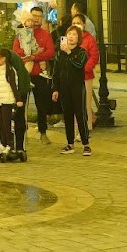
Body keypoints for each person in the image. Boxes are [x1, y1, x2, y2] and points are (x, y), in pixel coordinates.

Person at [13, 7, 56, 144]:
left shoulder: (45, 34)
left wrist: (35, 56)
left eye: (39, 16)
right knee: (21, 104)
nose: (36, 18)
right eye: (34, 15)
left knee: (41, 104)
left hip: (39, 75)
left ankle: (43, 132)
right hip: (24, 74)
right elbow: (15, 50)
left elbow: (50, 52)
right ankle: (21, 132)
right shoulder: (21, 33)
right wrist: (26, 56)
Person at [52, 24, 91, 156]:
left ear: (79, 38)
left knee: (80, 115)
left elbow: (79, 65)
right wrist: (55, 89)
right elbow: (55, 72)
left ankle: (86, 144)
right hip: (64, 88)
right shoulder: (59, 54)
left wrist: (69, 52)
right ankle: (70, 143)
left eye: (74, 35)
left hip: (77, 87)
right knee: (67, 115)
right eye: (69, 34)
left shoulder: (81, 52)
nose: (71, 37)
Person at [0, 42, 29, 162]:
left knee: (17, 122)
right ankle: (4, 144)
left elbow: (15, 84)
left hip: (14, 99)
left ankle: (19, 147)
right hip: (1, 101)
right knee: (4, 124)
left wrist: (18, 99)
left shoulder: (11, 66)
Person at [71, 13, 99, 121]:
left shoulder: (89, 38)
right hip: (71, 75)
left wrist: (85, 69)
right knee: (74, 103)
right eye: (74, 23)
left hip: (85, 75)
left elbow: (94, 56)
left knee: (86, 102)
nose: (76, 25)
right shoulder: (68, 37)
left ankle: (87, 127)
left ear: (84, 24)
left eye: (78, 23)